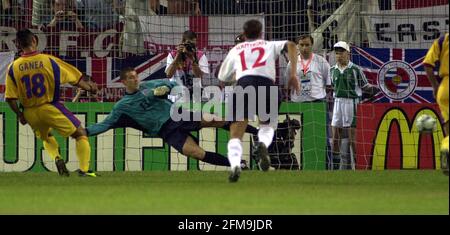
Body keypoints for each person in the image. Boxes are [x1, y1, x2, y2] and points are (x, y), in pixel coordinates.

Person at [86, 67, 256, 169]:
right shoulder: (122, 106)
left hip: (178, 114)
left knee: (215, 119)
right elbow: (105, 125)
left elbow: (173, 83)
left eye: (136, 75)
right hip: (166, 131)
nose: (135, 78)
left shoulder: (148, 85)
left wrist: (166, 89)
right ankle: (238, 164)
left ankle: (256, 132)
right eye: (131, 77)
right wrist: (83, 131)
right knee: (195, 153)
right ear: (123, 82)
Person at [5, 29, 98, 177]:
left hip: (30, 112)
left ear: (18, 45)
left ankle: (57, 157)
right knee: (80, 133)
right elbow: (75, 79)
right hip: (49, 106)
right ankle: (85, 170)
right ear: (34, 40)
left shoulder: (13, 67)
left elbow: (10, 98)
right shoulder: (49, 60)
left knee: (46, 136)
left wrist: (20, 115)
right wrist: (90, 88)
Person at [218, 19, 300, 182]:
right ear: (261, 33)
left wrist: (238, 74)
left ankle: (235, 165)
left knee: (236, 133)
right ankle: (262, 144)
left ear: (245, 33)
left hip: (243, 85)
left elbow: (222, 77)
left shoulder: (237, 49)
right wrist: (292, 74)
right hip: (267, 85)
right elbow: (291, 45)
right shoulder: (269, 45)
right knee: (267, 127)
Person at [329, 41, 376, 170]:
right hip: (338, 102)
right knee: (335, 138)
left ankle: (358, 167)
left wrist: (374, 90)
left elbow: (365, 86)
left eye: (342, 52)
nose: (339, 55)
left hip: (352, 103)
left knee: (352, 139)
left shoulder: (356, 69)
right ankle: (336, 168)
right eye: (337, 53)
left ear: (348, 53)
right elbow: (332, 86)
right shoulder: (332, 70)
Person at [423, 33, 449, 175]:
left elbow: (427, 64)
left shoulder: (442, 40)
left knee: (448, 127)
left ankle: (446, 155)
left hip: (445, 88)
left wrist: (435, 86)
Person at [165, 30, 209, 102]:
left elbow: (199, 76)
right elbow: (168, 74)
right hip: (176, 96)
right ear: (183, 42)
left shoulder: (200, 55)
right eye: (188, 43)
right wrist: (178, 56)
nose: (190, 46)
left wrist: (192, 59)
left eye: (193, 44)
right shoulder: (173, 54)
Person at [285, 34, 331, 102]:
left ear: (312, 45)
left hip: (317, 101)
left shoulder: (322, 61)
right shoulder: (292, 63)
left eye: (307, 45)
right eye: (301, 45)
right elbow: (288, 84)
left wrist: (318, 94)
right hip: (298, 101)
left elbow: (328, 85)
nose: (304, 48)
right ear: (297, 46)